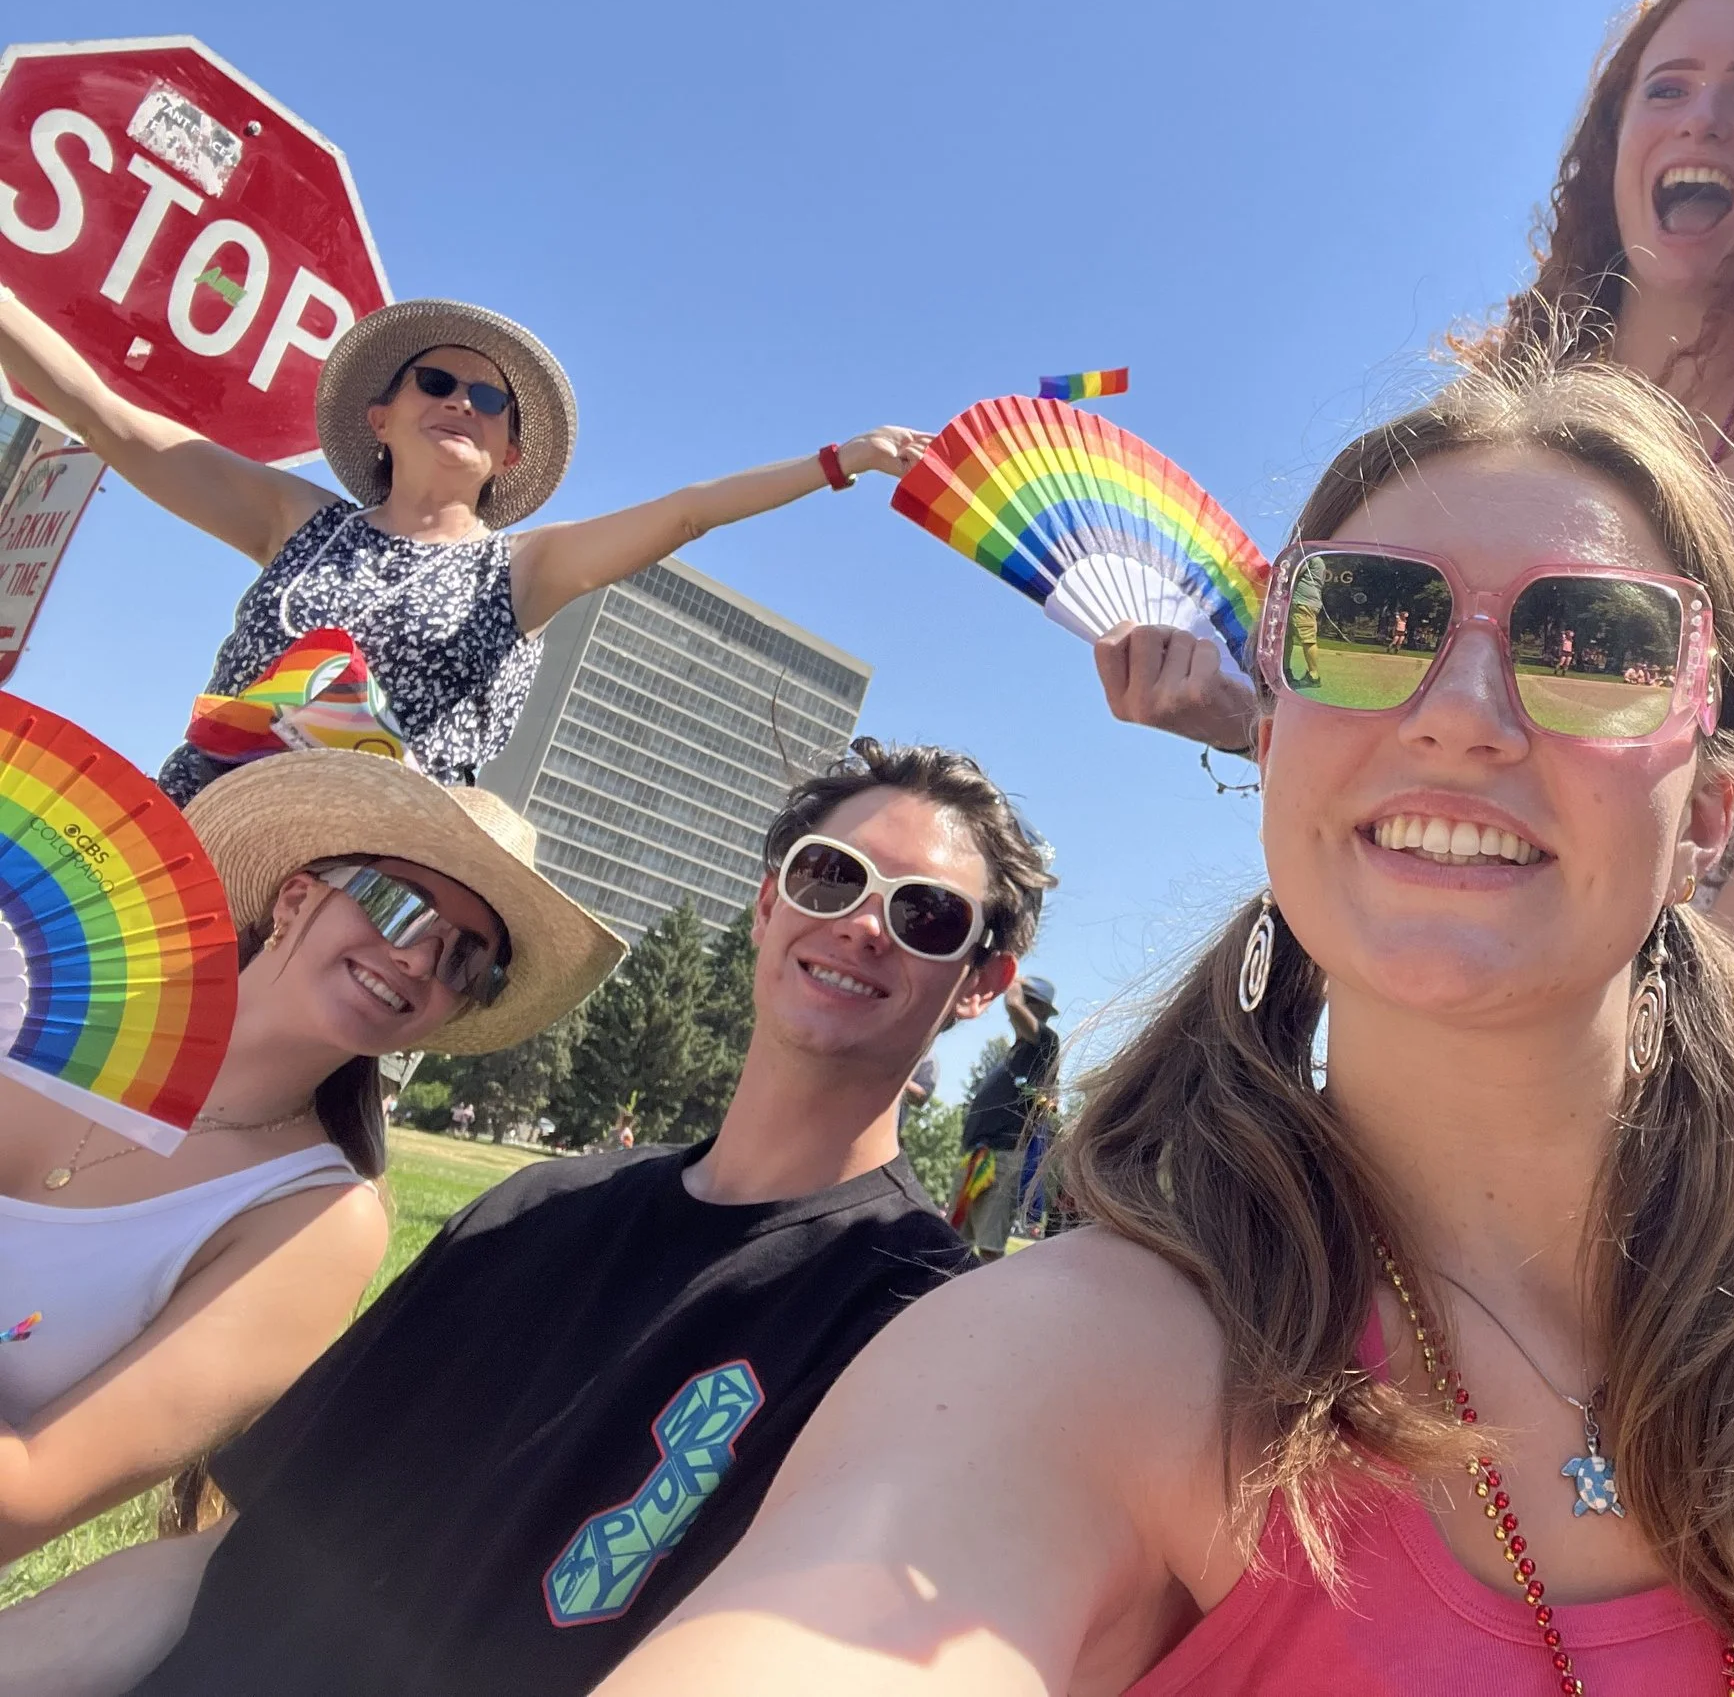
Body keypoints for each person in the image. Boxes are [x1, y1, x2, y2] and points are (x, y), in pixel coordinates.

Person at [594, 363, 1734, 1696]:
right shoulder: (1080, 1361)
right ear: (1283, 733)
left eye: (1594, 645)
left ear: (1719, 808)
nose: (1462, 715)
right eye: (1366, 620)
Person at [0, 739, 1054, 1697]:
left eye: (925, 916)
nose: (865, 924)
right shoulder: (533, 1210)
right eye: (833, 877)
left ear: (979, 984)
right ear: (770, 905)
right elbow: (215, 1563)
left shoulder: (916, 1325)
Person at [1099, 0, 1734, 1086]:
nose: (1704, 115)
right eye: (1667, 86)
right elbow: (1439, 712)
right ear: (1608, 144)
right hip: (1475, 984)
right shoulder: (1502, 393)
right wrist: (1227, 709)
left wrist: (1679, 1025)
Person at [0, 746, 620, 1563]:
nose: (420, 957)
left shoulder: (317, 1219)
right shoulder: (37, 987)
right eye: (400, 907)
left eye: (467, 958)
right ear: (297, 897)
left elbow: (30, 1496)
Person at [0, 290, 925, 803]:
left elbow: (687, 512)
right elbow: (105, 415)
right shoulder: (295, 519)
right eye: (436, 381)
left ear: (507, 453)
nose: (460, 402)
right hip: (205, 824)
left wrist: (841, 460)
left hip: (362, 884)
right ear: (381, 417)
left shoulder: (524, 568)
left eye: (489, 401)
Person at [951, 976, 1061, 1259]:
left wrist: (1011, 977)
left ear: (1035, 1007)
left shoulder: (1046, 1042)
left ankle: (991, 1301)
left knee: (989, 1246)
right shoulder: (1016, 1053)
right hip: (979, 1156)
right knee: (954, 1240)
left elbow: (1012, 1003)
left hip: (1003, 1158)